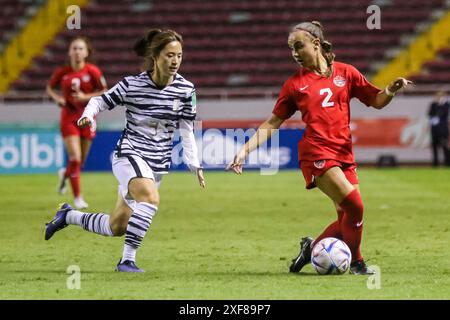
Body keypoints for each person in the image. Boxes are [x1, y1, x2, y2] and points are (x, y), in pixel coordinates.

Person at [227, 21, 412, 275]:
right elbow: (273, 122)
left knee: (345, 217)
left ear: (316, 44)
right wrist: (245, 150)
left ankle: (311, 248)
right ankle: (357, 263)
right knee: (355, 206)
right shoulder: (294, 84)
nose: (294, 53)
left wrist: (390, 90)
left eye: (298, 46)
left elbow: (376, 100)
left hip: (344, 153)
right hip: (316, 152)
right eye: (291, 49)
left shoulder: (346, 73)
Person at [44, 29, 205, 272]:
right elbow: (99, 100)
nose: (175, 61)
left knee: (116, 226)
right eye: (169, 55)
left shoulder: (186, 90)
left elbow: (186, 128)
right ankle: (127, 261)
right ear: (155, 56)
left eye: (179, 56)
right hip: (129, 155)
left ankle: (68, 216)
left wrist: (194, 163)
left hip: (157, 164)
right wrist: (89, 116)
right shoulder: (133, 84)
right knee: (150, 199)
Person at [46, 36, 108, 209]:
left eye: (81, 48)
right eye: (74, 48)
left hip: (88, 118)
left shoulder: (92, 71)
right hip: (69, 118)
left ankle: (64, 174)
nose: (77, 51)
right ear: (69, 52)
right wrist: (57, 98)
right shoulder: (63, 72)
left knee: (80, 163)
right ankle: (78, 198)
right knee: (75, 157)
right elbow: (50, 87)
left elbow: (105, 91)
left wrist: (85, 97)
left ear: (87, 52)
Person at [428, 91, 449, 166]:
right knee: (435, 148)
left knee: (445, 147)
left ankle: (447, 163)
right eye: (437, 96)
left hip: (443, 130)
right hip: (434, 131)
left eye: (440, 96)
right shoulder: (433, 104)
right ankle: (435, 164)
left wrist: (440, 105)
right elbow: (429, 113)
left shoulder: (446, 104)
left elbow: (444, 113)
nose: (438, 98)